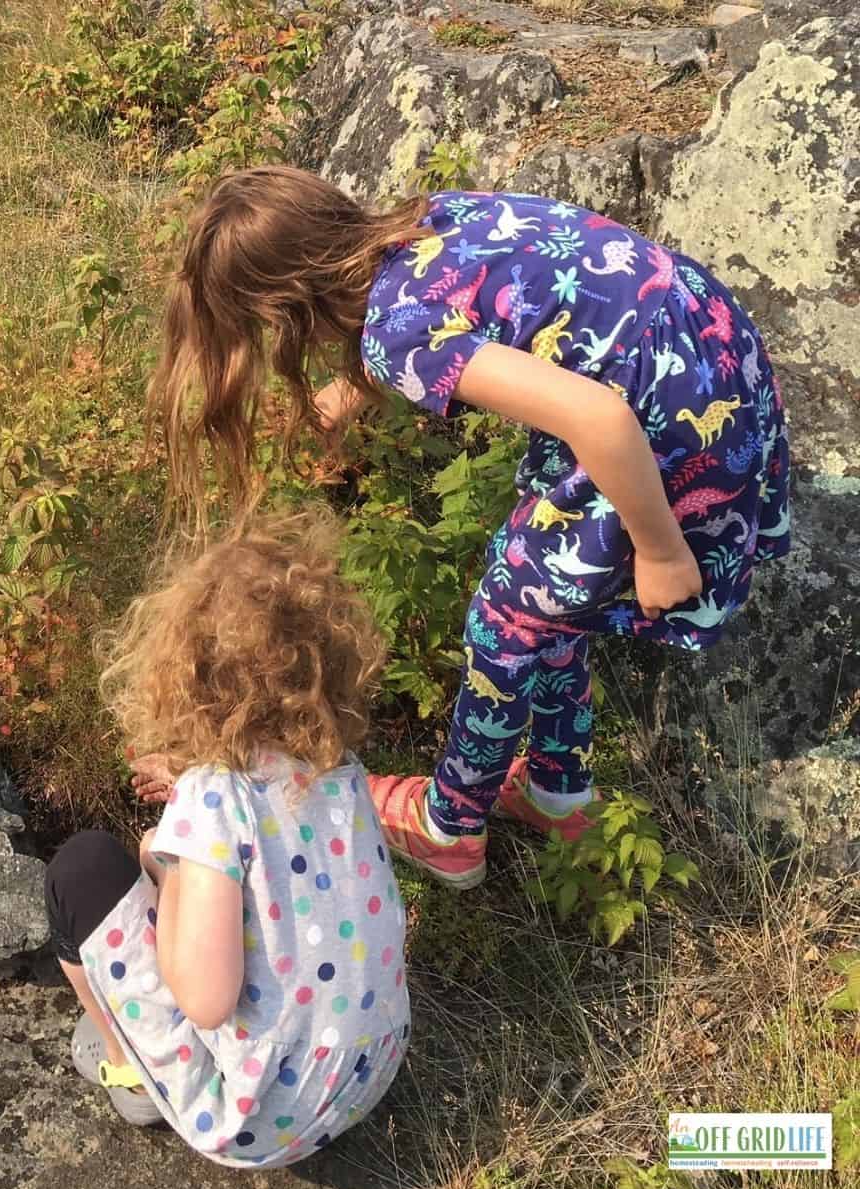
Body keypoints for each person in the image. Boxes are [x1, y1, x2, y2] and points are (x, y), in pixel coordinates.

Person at [143, 164, 791, 890]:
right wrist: (344, 397)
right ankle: (557, 789)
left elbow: (599, 419)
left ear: (288, 312)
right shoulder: (431, 219)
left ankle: (448, 825)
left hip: (657, 431)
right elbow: (460, 317)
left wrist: (662, 548)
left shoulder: (397, 332)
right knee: (547, 601)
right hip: (709, 346)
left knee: (504, 617)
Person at [43, 514, 411, 1166]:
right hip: (369, 1071)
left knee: (82, 868)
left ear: (186, 672)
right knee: (164, 846)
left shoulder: (214, 796)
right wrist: (184, 821)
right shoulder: (338, 771)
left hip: (258, 1116)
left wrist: (181, 843)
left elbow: (206, 1002)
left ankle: (130, 1067)